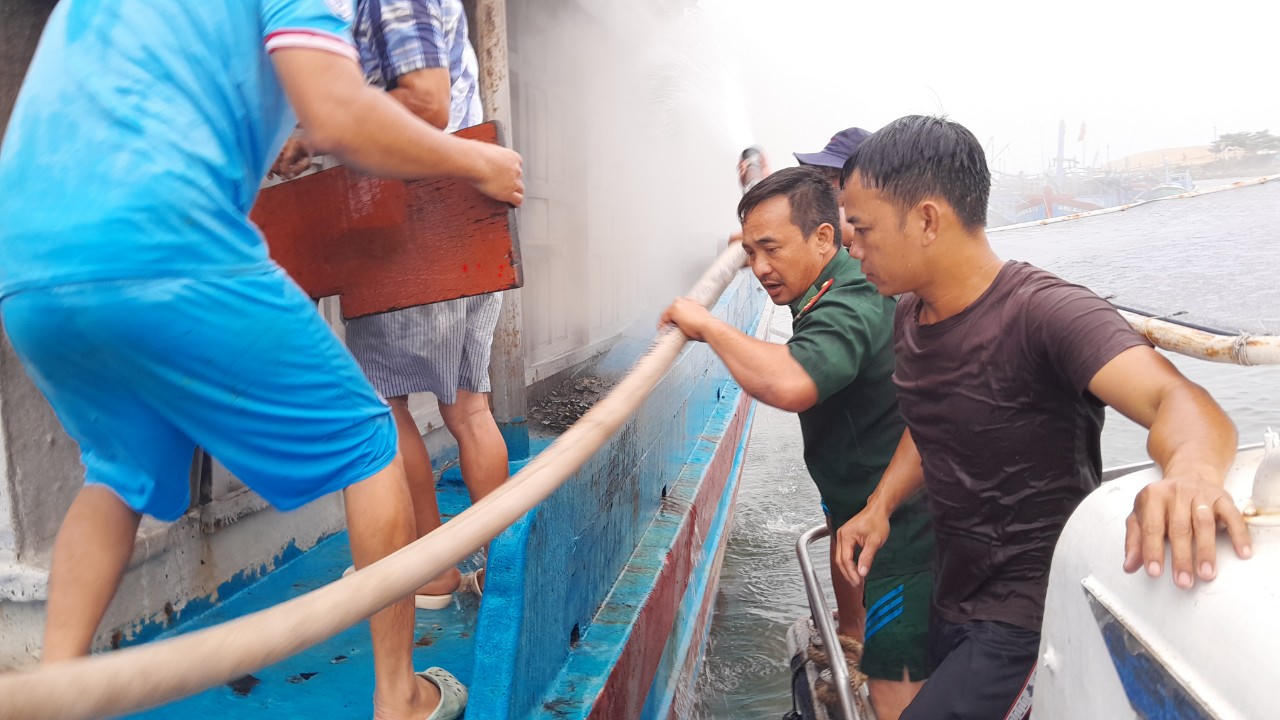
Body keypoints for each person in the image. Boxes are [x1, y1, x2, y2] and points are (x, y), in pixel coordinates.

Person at [0, 3, 523, 718]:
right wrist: (479, 159)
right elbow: (340, 114)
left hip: (26, 264)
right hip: (163, 235)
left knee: (118, 474)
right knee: (370, 444)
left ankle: (54, 696)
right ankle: (400, 695)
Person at [835, 115, 1252, 719]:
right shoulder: (910, 316)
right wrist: (880, 506)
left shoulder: (1046, 314)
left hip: (1029, 615)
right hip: (953, 598)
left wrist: (1190, 474)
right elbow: (932, 422)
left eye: (864, 228)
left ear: (926, 220)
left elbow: (1180, 401)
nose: (853, 247)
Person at [661, 167, 934, 719]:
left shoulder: (849, 301)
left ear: (824, 238)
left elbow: (791, 384)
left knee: (894, 690)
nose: (760, 267)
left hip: (902, 533)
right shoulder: (828, 272)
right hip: (860, 502)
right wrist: (759, 239)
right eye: (751, 253)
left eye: (771, 249)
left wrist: (706, 325)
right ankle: (852, 634)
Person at [340, 0, 508, 606]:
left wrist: (322, 129)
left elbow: (424, 105)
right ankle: (501, 575)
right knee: (469, 407)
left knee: (384, 401)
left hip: (411, 218)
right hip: (473, 220)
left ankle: (430, 572)